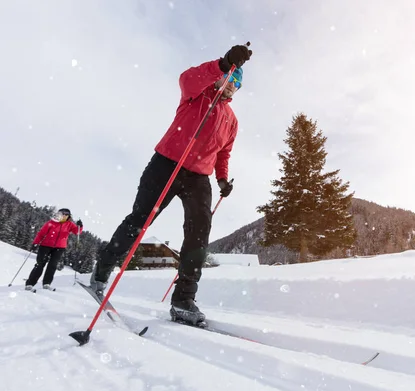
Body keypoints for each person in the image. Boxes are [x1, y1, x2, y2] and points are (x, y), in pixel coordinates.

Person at [90, 43, 252, 325]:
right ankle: (102, 270)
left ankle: (184, 299)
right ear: (221, 77)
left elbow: (223, 153)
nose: (231, 84)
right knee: (140, 219)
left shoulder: (232, 121)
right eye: (229, 78)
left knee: (199, 232)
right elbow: (186, 78)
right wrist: (223, 63)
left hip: (199, 176)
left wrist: (222, 179)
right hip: (167, 163)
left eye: (236, 82)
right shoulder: (198, 92)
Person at [25, 208, 83, 291]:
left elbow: (77, 232)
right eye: (63, 214)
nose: (64, 216)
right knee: (40, 264)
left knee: (52, 266)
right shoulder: (51, 223)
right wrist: (35, 243)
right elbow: (41, 234)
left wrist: (80, 226)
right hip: (45, 246)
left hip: (59, 248)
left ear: (68, 216)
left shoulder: (69, 224)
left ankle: (46, 283)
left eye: (66, 215)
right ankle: (30, 284)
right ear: (59, 214)